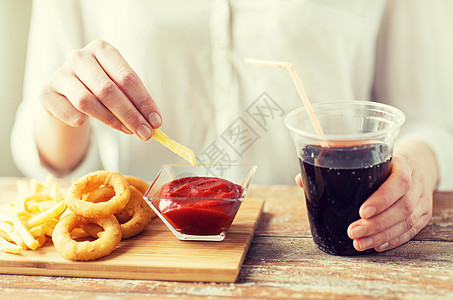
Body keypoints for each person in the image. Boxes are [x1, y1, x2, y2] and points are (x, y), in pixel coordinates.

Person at [11, 0, 452, 254]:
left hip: (315, 246)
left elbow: (432, 122)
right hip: (146, 250)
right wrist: (63, 108)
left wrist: (419, 168)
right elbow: (48, 155)